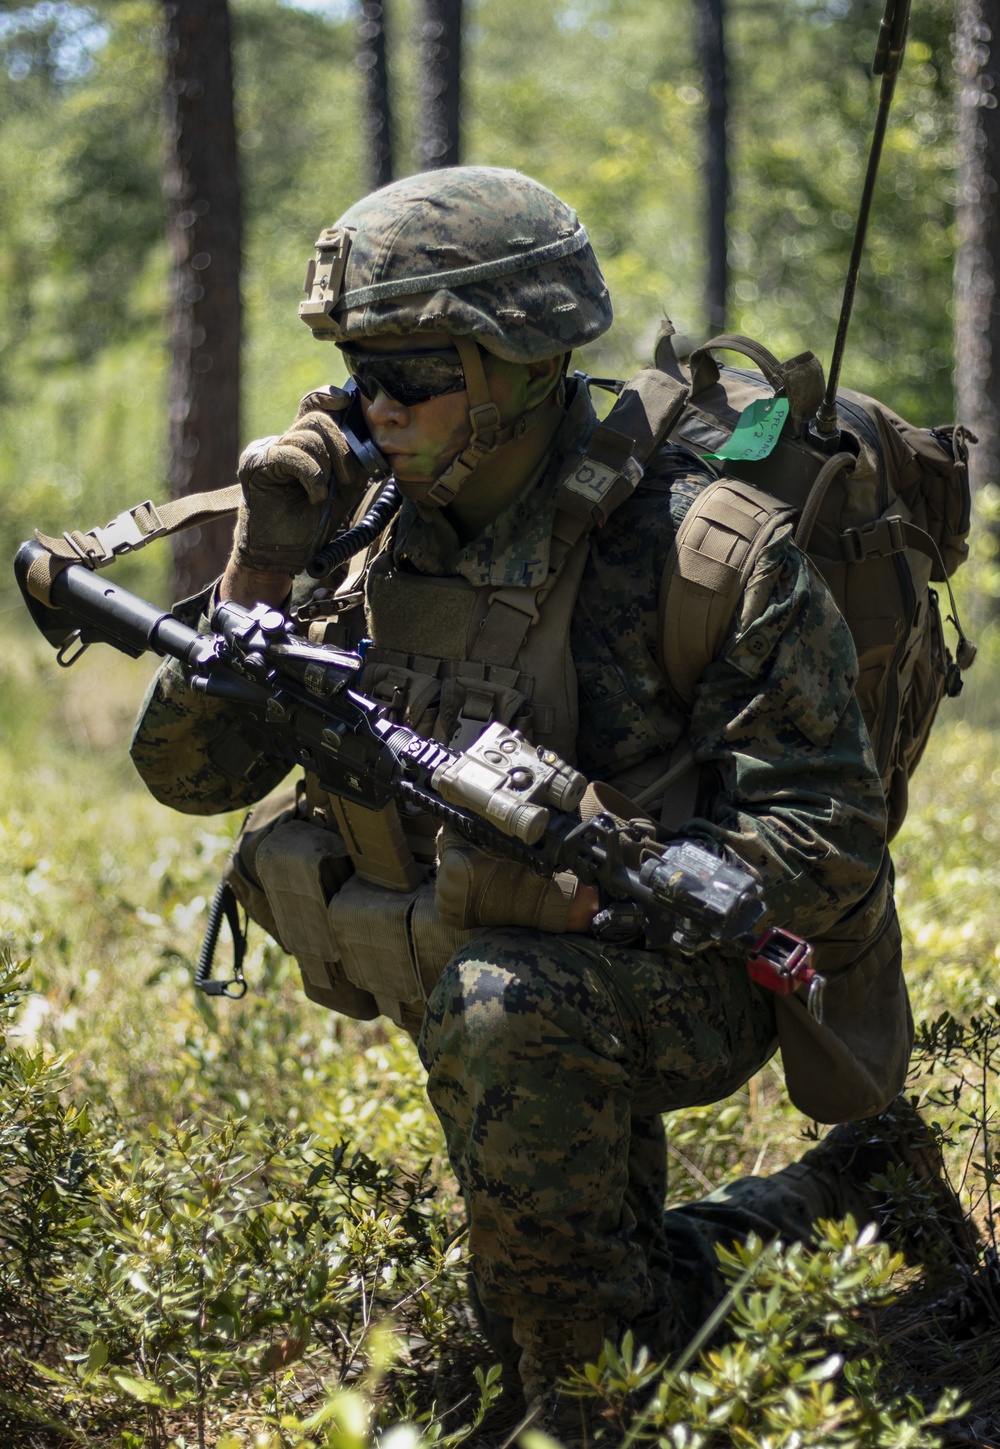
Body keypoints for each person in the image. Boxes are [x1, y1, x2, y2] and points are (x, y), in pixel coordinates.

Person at [130, 166, 919, 1421]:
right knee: (554, 1281)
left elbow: (828, 832)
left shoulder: (699, 547)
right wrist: (261, 565)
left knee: (517, 1052)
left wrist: (580, 903)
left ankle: (580, 1416)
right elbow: (188, 777)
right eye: (355, 374)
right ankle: (854, 1197)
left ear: (525, 363)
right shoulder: (359, 532)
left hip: (703, 964)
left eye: (414, 372)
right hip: (484, 966)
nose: (374, 409)